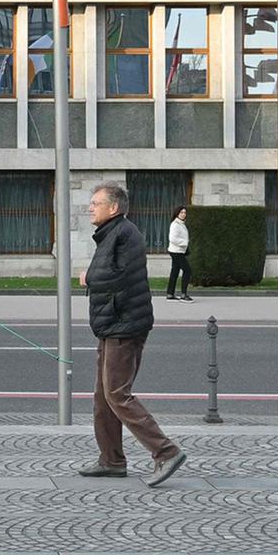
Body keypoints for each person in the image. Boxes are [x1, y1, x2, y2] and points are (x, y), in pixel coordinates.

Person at [77, 182, 187, 487]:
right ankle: (111, 461)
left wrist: (89, 278)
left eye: (96, 203)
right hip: (112, 324)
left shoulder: (126, 234)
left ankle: (166, 452)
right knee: (104, 398)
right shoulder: (111, 234)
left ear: (114, 208)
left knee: (116, 394)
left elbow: (119, 275)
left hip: (125, 326)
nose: (90, 207)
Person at [166, 206, 194, 302]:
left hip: (178, 251)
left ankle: (170, 293)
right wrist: (185, 242)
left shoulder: (181, 224)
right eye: (181, 212)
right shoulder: (175, 224)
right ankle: (183, 294)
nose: (183, 214)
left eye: (185, 212)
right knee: (187, 271)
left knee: (175, 271)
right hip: (176, 251)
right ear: (177, 213)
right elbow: (172, 239)